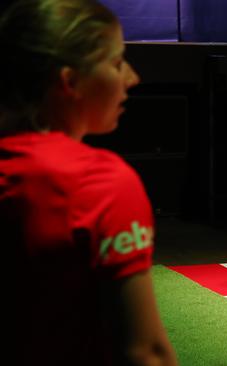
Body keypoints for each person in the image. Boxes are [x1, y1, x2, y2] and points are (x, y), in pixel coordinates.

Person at [0, 0, 177, 364]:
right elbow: (146, 352)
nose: (132, 77)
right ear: (70, 81)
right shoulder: (99, 183)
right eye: (116, 63)